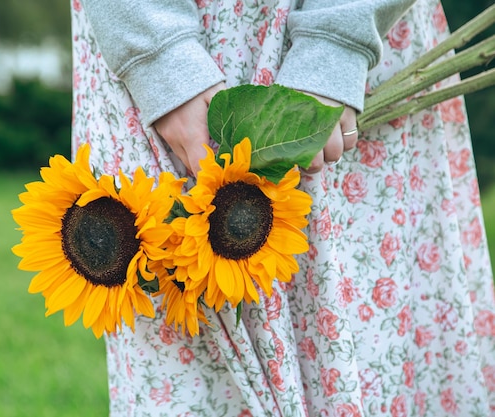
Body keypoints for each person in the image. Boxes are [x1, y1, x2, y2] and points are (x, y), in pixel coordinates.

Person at [71, 0, 495, 415]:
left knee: (372, 354)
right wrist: (161, 59)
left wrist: (338, 40)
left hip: (349, 47)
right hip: (153, 61)